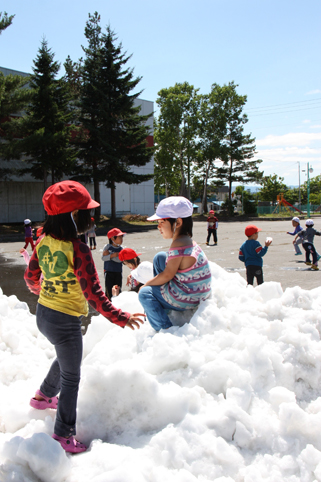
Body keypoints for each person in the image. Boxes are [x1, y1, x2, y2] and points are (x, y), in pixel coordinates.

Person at [23, 180, 144, 454]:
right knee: (72, 378)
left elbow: (31, 277)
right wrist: (120, 317)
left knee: (65, 358)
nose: (91, 217)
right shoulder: (78, 249)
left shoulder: (42, 240)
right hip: (65, 321)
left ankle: (43, 396)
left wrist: (45, 290)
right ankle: (63, 435)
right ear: (72, 217)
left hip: (44, 314)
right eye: (86, 212)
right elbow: (95, 296)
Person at [138, 196, 212, 331]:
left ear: (177, 222)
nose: (158, 226)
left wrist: (145, 285)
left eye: (161, 222)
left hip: (188, 296)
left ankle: (164, 328)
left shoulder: (178, 244)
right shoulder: (186, 240)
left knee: (145, 294)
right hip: (197, 290)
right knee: (160, 257)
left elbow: (167, 275)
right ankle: (162, 303)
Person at [102, 228, 126, 299]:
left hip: (118, 272)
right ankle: (109, 304)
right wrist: (112, 255)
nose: (121, 239)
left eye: (122, 237)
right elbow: (103, 258)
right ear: (112, 238)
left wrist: (111, 256)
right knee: (109, 289)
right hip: (108, 271)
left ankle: (118, 303)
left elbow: (120, 260)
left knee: (118, 288)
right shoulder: (107, 247)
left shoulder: (121, 249)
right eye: (119, 237)